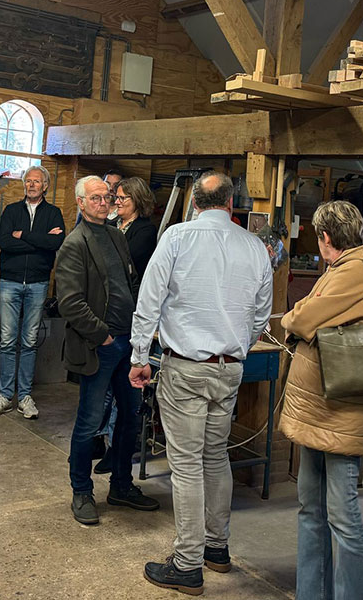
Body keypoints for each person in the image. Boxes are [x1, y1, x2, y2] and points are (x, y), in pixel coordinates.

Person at [129, 170, 274, 595]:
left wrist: (140, 356)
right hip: (229, 369)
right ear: (230, 203)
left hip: (186, 368)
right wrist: (236, 345)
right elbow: (261, 316)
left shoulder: (176, 237)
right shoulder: (255, 247)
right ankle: (216, 548)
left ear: (194, 202)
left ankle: (188, 563)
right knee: (215, 457)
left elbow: (149, 300)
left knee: (187, 465)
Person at [279, 200, 363, 600]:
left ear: (325, 237)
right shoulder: (344, 268)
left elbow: (302, 318)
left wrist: (292, 317)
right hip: (322, 406)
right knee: (311, 507)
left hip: (340, 411)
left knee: (342, 515)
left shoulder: (355, 271)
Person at [57, 175, 160, 526]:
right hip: (100, 346)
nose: (104, 203)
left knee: (130, 417)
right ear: (81, 203)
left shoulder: (116, 236)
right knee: (89, 422)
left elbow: (131, 283)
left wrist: (139, 327)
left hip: (128, 343)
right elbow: (70, 303)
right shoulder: (74, 244)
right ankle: (81, 490)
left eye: (108, 197)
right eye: (96, 198)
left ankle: (121, 485)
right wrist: (102, 336)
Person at [0, 164, 65, 420]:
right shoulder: (11, 210)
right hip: (10, 281)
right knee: (8, 340)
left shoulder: (54, 213)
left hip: (37, 283)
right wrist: (39, 240)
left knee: (29, 341)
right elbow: (5, 242)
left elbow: (55, 243)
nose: (31, 185)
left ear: (45, 186)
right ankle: (5, 396)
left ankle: (25, 397)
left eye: (36, 181)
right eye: (28, 181)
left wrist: (24, 236)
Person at [95, 175, 158, 475]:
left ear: (137, 200)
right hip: (108, 311)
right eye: (116, 197)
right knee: (105, 384)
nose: (116, 202)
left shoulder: (144, 231)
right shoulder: (112, 225)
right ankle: (100, 439)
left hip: (131, 313)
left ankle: (116, 447)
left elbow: (120, 263)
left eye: (122, 198)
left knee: (123, 385)